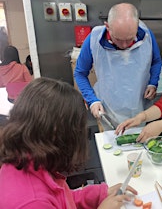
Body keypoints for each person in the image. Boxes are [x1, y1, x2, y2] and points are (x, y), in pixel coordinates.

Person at [0, 77, 137, 209]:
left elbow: (62, 200)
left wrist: (100, 194)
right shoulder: (33, 202)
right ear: (60, 134)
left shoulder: (26, 161)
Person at [74, 2, 162, 126]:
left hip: (141, 108)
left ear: (137, 26)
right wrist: (92, 100)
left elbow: (156, 61)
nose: (124, 45)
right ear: (107, 26)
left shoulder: (147, 35)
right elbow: (80, 73)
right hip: (109, 112)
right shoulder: (94, 39)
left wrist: (153, 82)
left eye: (130, 39)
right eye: (119, 39)